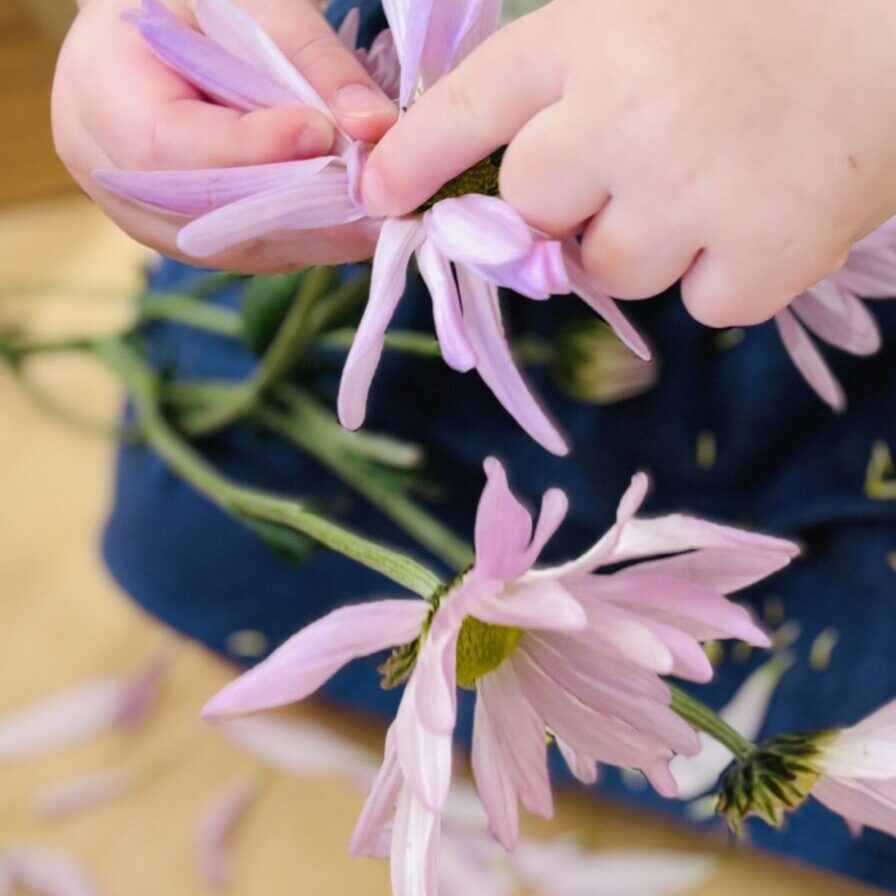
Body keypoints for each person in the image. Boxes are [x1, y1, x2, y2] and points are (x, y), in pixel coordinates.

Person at [51, 0, 896, 888]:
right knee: (191, 513)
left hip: (828, 213)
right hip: (421, 186)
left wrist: (852, 55)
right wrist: (167, 30)